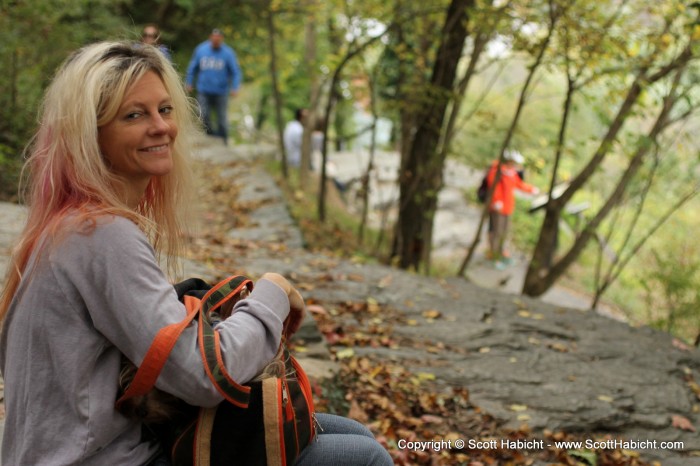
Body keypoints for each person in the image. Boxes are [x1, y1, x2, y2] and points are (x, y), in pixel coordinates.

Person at [0, 41, 392, 466]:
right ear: (89, 136)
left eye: (165, 110)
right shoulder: (100, 234)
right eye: (134, 115)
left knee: (349, 432)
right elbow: (202, 374)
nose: (161, 127)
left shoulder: (69, 225)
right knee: (363, 456)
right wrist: (271, 294)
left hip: (88, 445)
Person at [185, 28, 242, 146]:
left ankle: (224, 141)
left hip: (221, 91)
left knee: (222, 118)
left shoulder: (228, 53)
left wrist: (235, 87)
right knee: (204, 114)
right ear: (210, 37)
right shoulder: (201, 50)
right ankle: (210, 137)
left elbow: (235, 71)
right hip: (204, 90)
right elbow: (192, 68)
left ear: (222, 39)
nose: (216, 40)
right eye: (214, 37)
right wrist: (189, 82)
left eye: (218, 38)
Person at [486, 149, 539, 269]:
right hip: (498, 208)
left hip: (508, 208)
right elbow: (494, 187)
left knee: (504, 231)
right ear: (509, 160)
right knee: (497, 232)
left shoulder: (511, 173)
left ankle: (502, 253)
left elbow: (519, 185)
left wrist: (532, 189)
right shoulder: (497, 171)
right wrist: (497, 201)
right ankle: (494, 255)